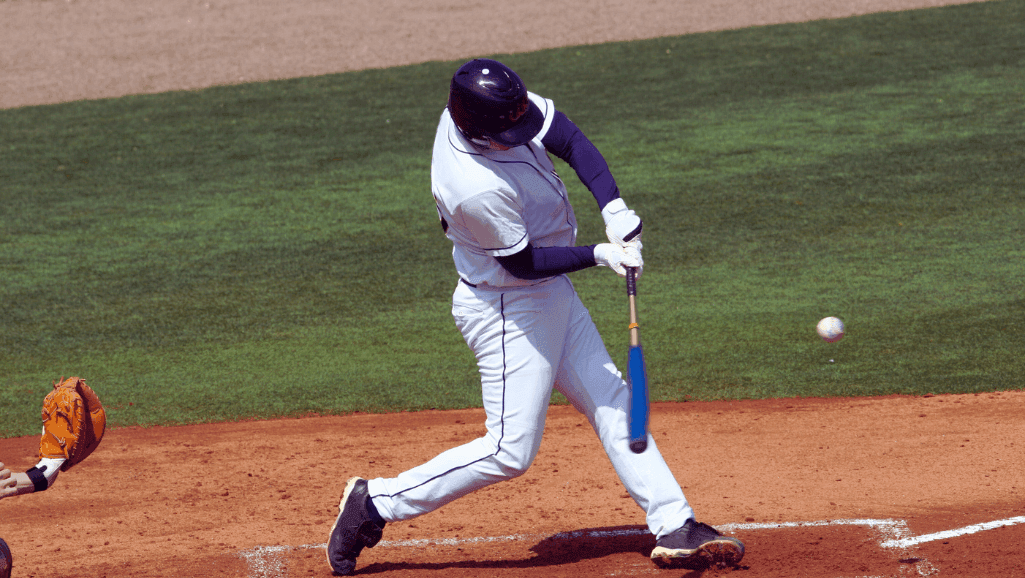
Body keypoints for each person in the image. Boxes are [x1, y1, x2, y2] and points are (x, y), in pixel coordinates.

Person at [326, 58, 745, 576]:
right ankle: (376, 502)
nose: (523, 134)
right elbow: (521, 263)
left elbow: (566, 136)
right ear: (477, 131)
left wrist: (612, 204)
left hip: (549, 294)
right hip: (508, 307)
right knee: (509, 451)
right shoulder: (472, 186)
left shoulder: (490, 108)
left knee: (614, 398)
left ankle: (675, 522)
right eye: (511, 131)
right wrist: (599, 254)